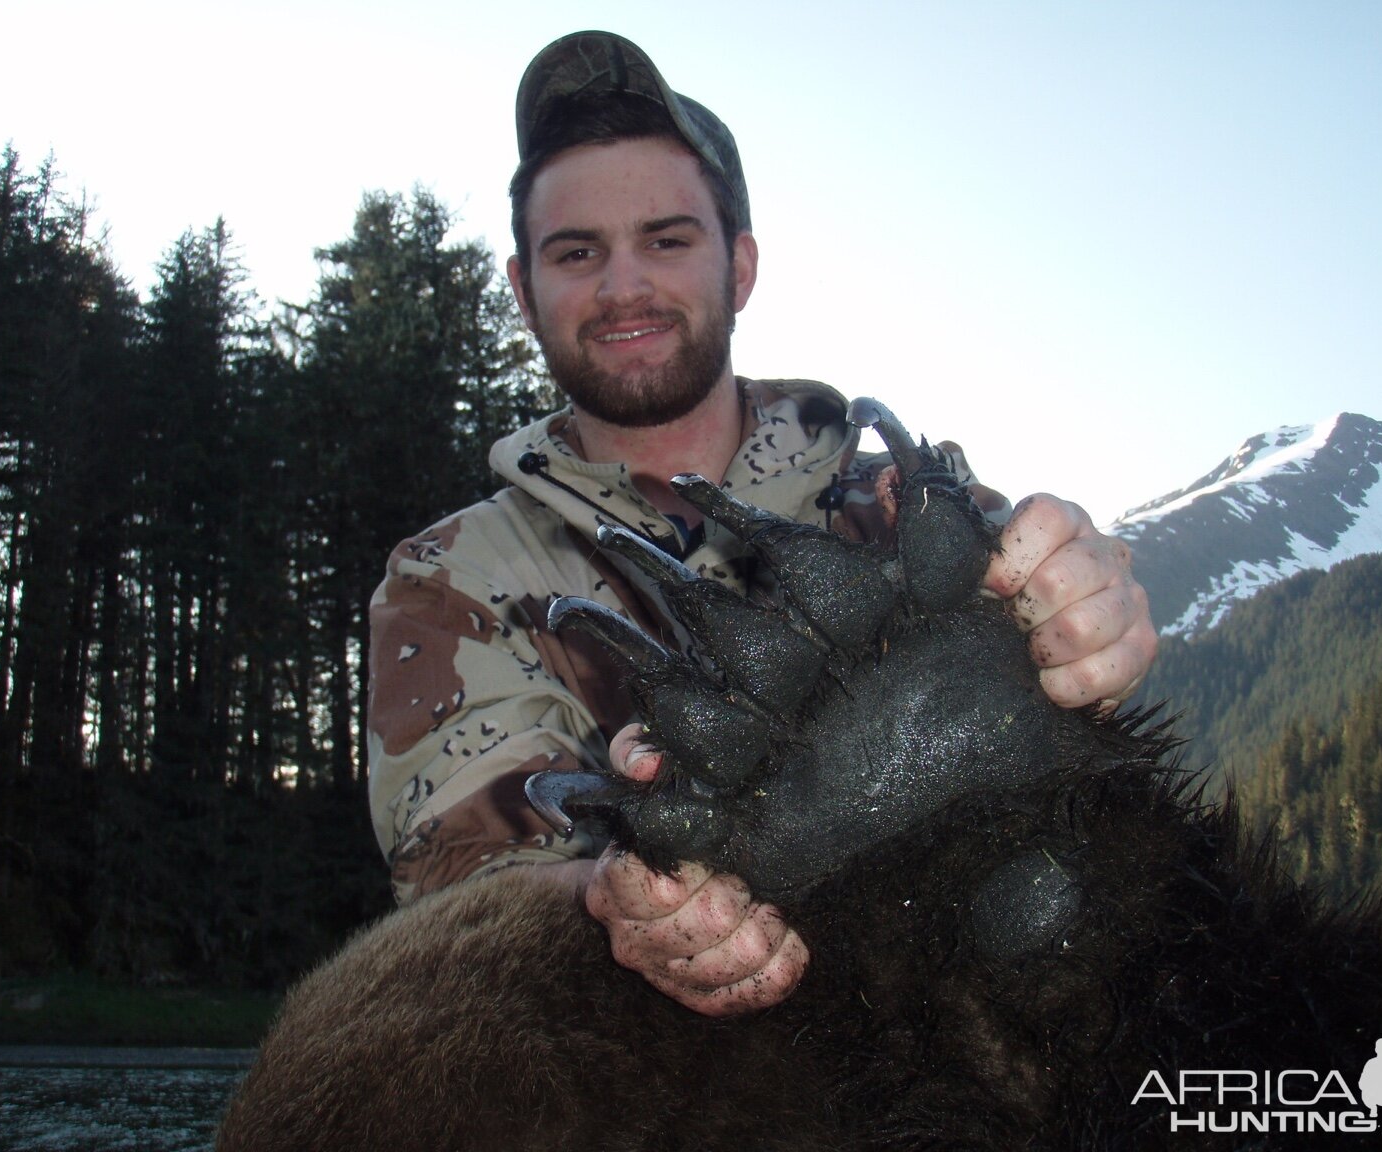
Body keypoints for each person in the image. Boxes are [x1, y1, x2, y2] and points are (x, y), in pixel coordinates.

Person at [367, 30, 1156, 1018]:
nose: (623, 288)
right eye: (577, 253)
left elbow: (1083, 681)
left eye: (667, 239)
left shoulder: (910, 510)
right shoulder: (452, 578)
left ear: (738, 268)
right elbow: (463, 870)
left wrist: (1088, 610)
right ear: (525, 290)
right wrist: (618, 896)